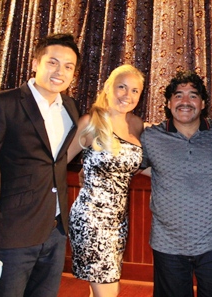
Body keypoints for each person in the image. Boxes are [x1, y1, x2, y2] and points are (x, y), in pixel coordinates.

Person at [0, 33, 81, 297]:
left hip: (55, 231)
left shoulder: (69, 107)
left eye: (68, 67)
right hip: (12, 232)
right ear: (35, 63)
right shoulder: (3, 104)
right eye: (53, 62)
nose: (60, 71)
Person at [140, 71, 212, 297]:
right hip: (167, 244)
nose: (185, 102)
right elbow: (129, 163)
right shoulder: (151, 137)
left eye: (193, 95)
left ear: (204, 103)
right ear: (169, 103)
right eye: (178, 96)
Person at [67, 64, 145, 297]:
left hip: (118, 221)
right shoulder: (91, 122)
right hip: (91, 220)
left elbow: (134, 165)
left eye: (134, 91)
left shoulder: (136, 124)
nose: (127, 95)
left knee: (101, 288)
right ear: (108, 87)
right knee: (108, 291)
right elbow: (57, 163)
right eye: (122, 87)